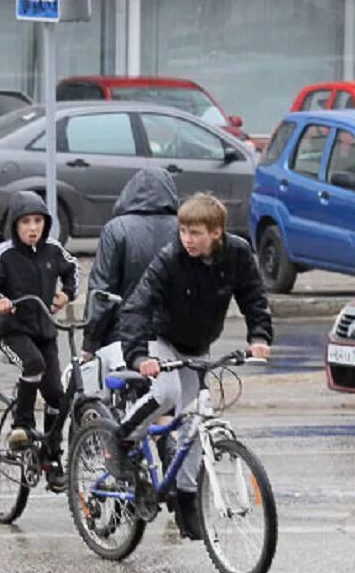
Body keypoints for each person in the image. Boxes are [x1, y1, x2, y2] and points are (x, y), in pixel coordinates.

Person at [108, 192, 273, 540]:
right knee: (166, 393)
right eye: (183, 230)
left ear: (216, 233)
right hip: (160, 336)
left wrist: (259, 335)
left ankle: (186, 501)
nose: (187, 239)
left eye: (195, 232)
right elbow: (137, 307)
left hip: (198, 343)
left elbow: (253, 296)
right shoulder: (171, 258)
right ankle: (121, 440)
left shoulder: (238, 253)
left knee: (196, 420)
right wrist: (140, 356)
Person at [0, 191, 79, 490]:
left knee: (58, 394)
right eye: (25, 222)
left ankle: (51, 456)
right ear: (15, 225)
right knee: (33, 364)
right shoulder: (4, 254)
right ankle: (21, 426)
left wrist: (67, 293)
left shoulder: (54, 250)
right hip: (12, 332)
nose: (33, 228)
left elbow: (74, 270)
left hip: (44, 330)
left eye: (38, 221)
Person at [80, 167, 180, 363]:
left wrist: (90, 342)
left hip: (123, 334)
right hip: (172, 337)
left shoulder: (116, 229)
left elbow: (102, 290)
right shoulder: (184, 230)